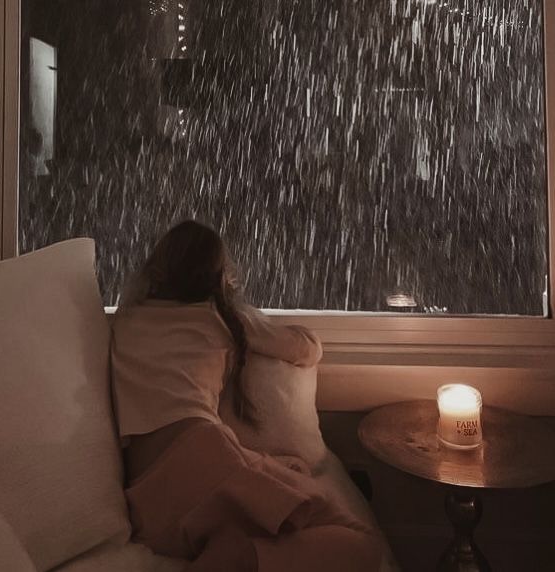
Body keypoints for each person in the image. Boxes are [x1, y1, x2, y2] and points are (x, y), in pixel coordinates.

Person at [111, 220, 382, 571]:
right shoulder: (219, 318)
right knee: (361, 543)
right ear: (219, 275)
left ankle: (228, 550)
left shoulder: (126, 321)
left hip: (148, 506)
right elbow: (306, 349)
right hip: (205, 460)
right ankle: (242, 557)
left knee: (279, 478)